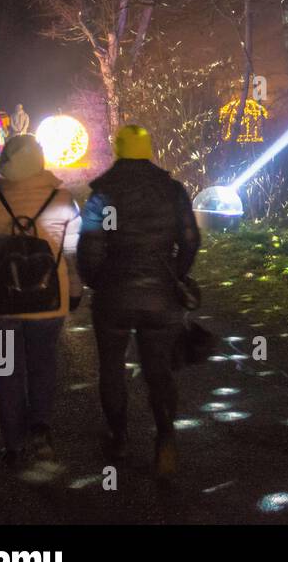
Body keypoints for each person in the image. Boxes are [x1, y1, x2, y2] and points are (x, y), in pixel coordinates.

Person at [77, 125, 200, 477]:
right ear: (148, 149)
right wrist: (175, 273)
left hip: (114, 294)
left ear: (118, 150)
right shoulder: (172, 190)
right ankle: (165, 439)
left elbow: (89, 247)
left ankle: (119, 437)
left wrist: (99, 281)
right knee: (158, 370)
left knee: (112, 368)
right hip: (160, 294)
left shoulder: (103, 193)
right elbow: (190, 239)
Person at [0, 135, 80, 465]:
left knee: (7, 371)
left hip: (0, 303)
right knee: (43, 365)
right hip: (49, 300)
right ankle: (40, 429)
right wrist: (76, 290)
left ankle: (14, 446)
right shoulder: (62, 198)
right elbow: (71, 253)